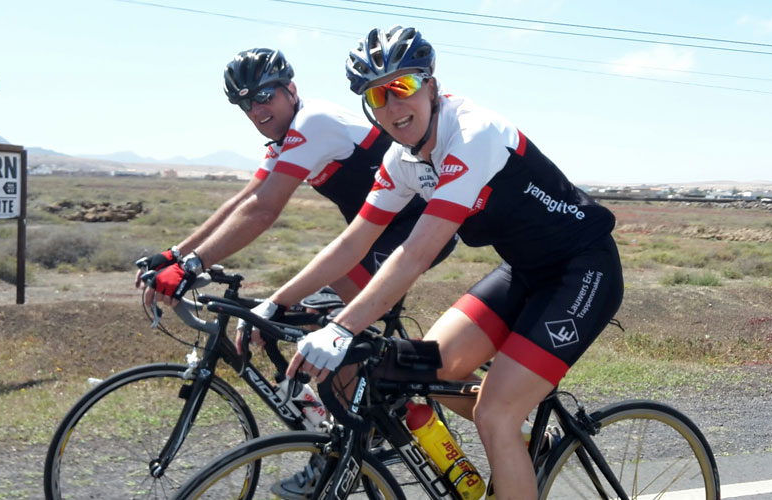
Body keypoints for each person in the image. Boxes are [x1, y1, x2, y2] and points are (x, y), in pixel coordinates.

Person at [261, 26, 623, 500]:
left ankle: (510, 424)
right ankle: (529, 443)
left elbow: (416, 251)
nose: (393, 107)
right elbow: (352, 244)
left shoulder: (473, 134)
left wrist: (343, 327)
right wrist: (274, 301)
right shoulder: (401, 159)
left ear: (431, 85)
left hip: (582, 269)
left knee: (496, 415)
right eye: (377, 95)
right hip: (524, 271)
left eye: (403, 87)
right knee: (427, 367)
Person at [138, 48, 456, 337]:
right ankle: (388, 398)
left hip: (415, 228)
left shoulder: (313, 122)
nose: (257, 110)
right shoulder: (285, 140)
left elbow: (264, 210)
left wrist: (192, 265)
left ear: (291, 90)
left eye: (264, 95)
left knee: (318, 321)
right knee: (321, 329)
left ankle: (379, 399)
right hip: (376, 235)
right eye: (246, 103)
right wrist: (176, 255)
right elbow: (244, 201)